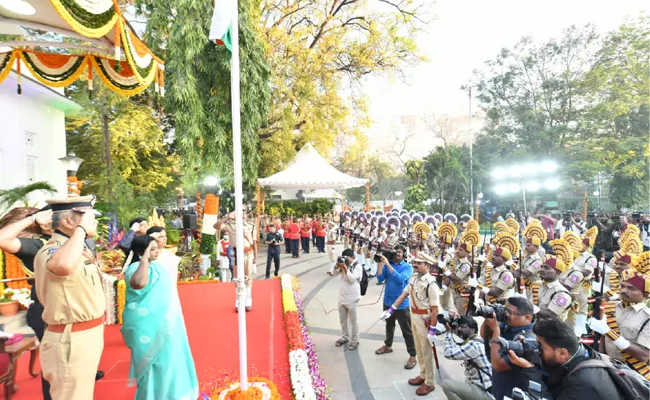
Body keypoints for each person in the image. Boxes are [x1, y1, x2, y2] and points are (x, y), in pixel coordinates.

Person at [33, 196, 105, 400]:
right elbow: (62, 266)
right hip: (70, 340)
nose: (94, 222)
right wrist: (81, 231)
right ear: (67, 222)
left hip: (84, 337)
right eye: (88, 217)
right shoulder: (53, 250)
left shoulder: (75, 249)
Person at [122, 236, 198, 400]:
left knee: (170, 361)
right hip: (147, 327)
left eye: (157, 248)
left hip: (168, 324)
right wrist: (144, 259)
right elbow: (139, 283)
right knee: (154, 364)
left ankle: (174, 395)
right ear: (140, 251)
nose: (157, 252)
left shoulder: (157, 268)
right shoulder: (134, 269)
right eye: (152, 249)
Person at [508, 318, 625, 400]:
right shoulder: (580, 353)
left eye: (540, 346)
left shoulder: (584, 382)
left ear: (563, 353)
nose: (536, 350)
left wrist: (529, 369)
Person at [381, 254, 439, 396]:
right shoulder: (414, 278)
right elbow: (403, 295)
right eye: (415, 262)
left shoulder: (431, 284)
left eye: (419, 263)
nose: (415, 265)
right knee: (418, 349)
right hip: (414, 316)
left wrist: (432, 330)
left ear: (428, 265)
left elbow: (435, 309)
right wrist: (391, 310)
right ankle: (423, 375)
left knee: (426, 351)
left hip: (425, 319)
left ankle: (430, 382)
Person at [590, 266, 650, 376]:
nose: (623, 291)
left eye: (631, 288)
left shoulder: (647, 317)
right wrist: (600, 358)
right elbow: (604, 337)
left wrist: (609, 332)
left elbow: (643, 355)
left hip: (633, 371)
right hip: (607, 363)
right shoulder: (610, 307)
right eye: (622, 286)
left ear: (645, 295)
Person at [480, 296, 536, 400]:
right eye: (504, 310)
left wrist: (496, 330)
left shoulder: (528, 340)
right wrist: (489, 317)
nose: (506, 315)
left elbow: (498, 365)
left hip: (513, 392)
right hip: (500, 387)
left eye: (510, 312)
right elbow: (484, 335)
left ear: (527, 318)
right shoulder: (510, 325)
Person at [374, 245, 417, 369]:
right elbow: (380, 278)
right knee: (389, 325)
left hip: (401, 305)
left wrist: (388, 264)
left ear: (404, 254)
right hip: (387, 301)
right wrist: (379, 263)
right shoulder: (389, 263)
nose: (397, 254)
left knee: (407, 330)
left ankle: (412, 355)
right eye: (396, 252)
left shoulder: (407, 267)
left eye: (400, 252)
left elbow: (400, 279)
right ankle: (388, 345)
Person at [441, 316, 494, 400]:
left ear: (472, 329)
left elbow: (448, 353)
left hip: (485, 393)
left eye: (463, 327)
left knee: (446, 385)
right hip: (483, 388)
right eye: (459, 326)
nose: (459, 329)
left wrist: (448, 332)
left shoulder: (473, 345)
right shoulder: (477, 341)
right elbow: (457, 340)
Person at [214, 210, 257, 311]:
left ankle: (248, 298)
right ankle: (238, 299)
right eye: (240, 214)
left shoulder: (251, 225)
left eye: (244, 214)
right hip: (236, 254)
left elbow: (254, 242)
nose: (243, 216)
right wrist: (228, 217)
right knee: (237, 277)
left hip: (248, 253)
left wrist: (256, 256)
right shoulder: (230, 225)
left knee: (248, 276)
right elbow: (216, 226)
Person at [333, 249, 363, 351]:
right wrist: (337, 265)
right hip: (342, 296)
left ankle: (355, 340)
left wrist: (346, 269)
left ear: (350, 257)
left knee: (353, 321)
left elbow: (352, 279)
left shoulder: (358, 266)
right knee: (342, 319)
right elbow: (334, 273)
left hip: (352, 297)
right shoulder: (343, 264)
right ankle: (344, 337)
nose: (344, 260)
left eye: (346, 258)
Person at [537, 256, 573, 321]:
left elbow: (550, 315)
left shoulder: (562, 294)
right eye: (542, 267)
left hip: (552, 329)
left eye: (546, 268)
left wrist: (529, 307)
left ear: (558, 272)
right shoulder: (539, 285)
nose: (542, 269)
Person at [517, 237, 543, 304]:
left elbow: (528, 273)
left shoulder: (538, 260)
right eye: (526, 245)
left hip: (533, 289)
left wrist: (517, 269)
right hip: (523, 286)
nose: (526, 247)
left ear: (536, 247)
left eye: (528, 245)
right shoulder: (526, 258)